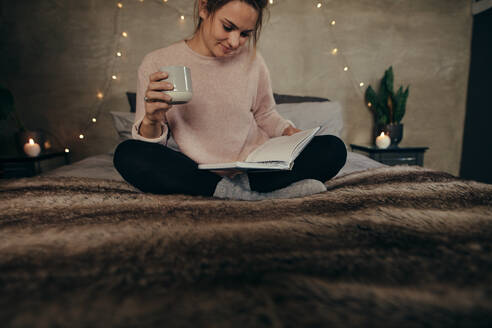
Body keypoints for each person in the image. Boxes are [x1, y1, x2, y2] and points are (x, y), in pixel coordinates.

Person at [113, 0, 347, 198]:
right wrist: (152, 119)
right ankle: (239, 193)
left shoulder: (253, 60)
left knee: (333, 148)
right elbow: (149, 147)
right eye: (228, 27)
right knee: (129, 154)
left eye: (245, 34)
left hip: (257, 167)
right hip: (196, 170)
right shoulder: (156, 62)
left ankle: (238, 190)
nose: (235, 42)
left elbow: (265, 114)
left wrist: (289, 133)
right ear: (204, 8)